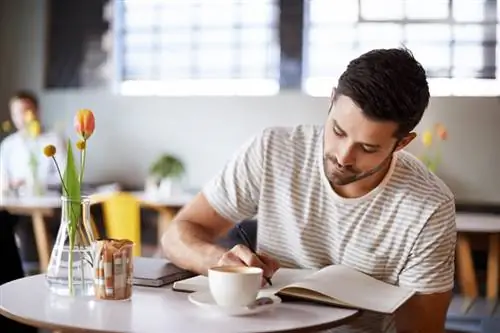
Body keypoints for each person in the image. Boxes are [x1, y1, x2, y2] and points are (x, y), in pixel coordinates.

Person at [161, 48, 456, 333]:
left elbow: (421, 329)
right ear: (331, 101)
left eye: (367, 148)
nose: (343, 156)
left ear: (402, 143)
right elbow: (176, 236)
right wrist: (219, 262)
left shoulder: (429, 206)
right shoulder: (273, 150)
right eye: (338, 130)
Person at [0, 90, 66, 267]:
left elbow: (64, 176)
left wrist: (33, 181)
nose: (21, 117)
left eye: (26, 111)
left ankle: (39, 268)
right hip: (15, 204)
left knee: (31, 223)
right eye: (16, 113)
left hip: (48, 205)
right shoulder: (8, 145)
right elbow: (3, 180)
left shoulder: (53, 140)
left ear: (37, 111)